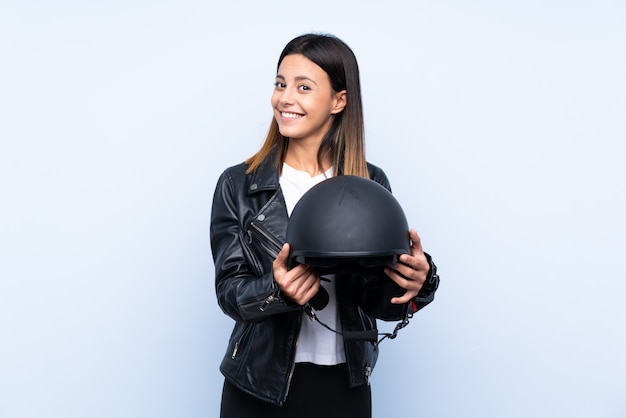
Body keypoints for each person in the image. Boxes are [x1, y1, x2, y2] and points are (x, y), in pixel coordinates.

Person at [210, 33, 439, 418]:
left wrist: (418, 283)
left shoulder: (371, 183)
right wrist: (277, 291)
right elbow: (229, 291)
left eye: (303, 87)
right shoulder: (239, 184)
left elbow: (379, 301)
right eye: (280, 84)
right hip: (257, 386)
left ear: (339, 100)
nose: (285, 98)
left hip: (343, 386)